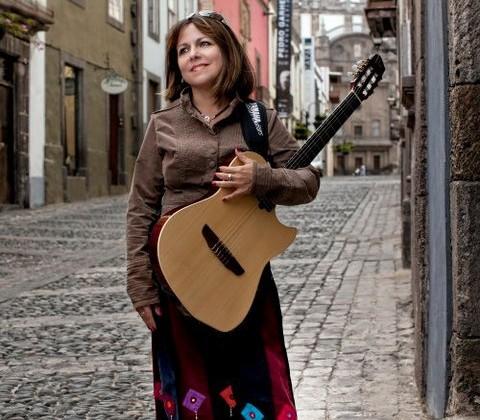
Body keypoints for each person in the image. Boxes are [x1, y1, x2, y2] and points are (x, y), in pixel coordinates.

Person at [126, 11, 320, 420]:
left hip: (242, 275)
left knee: (257, 389)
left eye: (203, 44)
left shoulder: (259, 120)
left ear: (226, 51)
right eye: (183, 50)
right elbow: (141, 206)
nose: (192, 55)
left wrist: (261, 178)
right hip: (176, 274)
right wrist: (140, 285)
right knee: (192, 395)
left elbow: (307, 182)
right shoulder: (163, 124)